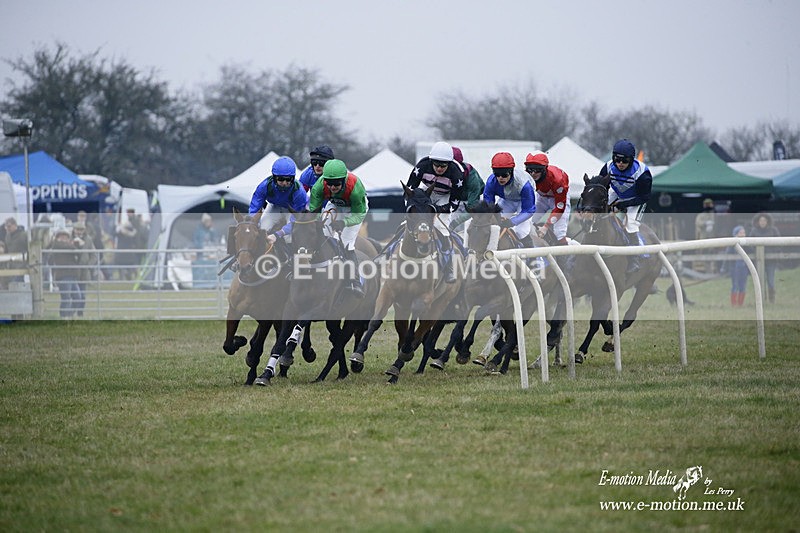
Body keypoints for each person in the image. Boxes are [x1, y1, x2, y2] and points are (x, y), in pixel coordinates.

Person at [406, 141, 472, 283]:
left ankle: (448, 268)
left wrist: (436, 210)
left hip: (445, 197)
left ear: (449, 164)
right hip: (425, 193)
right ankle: (387, 253)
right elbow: (409, 190)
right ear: (431, 162)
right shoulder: (422, 166)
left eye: (443, 165)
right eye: (436, 164)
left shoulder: (457, 173)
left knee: (442, 229)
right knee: (408, 223)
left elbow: (454, 203)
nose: (440, 168)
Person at [308, 159, 368, 296]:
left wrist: (344, 223)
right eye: (329, 183)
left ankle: (354, 281)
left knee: (346, 243)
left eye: (336, 183)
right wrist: (318, 223)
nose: (333, 187)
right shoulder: (319, 187)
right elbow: (314, 211)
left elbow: (359, 215)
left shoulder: (355, 188)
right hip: (334, 205)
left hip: (355, 209)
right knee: (323, 235)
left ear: (344, 179)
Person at [598, 139, 653, 273]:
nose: (620, 164)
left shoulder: (642, 173)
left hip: (636, 199)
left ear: (631, 160)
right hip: (617, 194)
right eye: (617, 160)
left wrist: (622, 205)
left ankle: (635, 258)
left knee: (630, 225)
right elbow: (601, 187)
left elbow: (644, 197)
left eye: (624, 161)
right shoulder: (608, 167)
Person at [249, 156, 309, 249]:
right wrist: (251, 224)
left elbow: (295, 221)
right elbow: (254, 209)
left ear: (293, 178)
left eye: (288, 179)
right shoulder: (264, 186)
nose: (284, 183)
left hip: (292, 210)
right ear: (274, 177)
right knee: (263, 229)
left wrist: (278, 234)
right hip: (274, 207)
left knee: (288, 236)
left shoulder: (299, 192)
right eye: (281, 179)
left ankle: (291, 259)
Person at [482, 152, 537, 247]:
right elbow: (488, 205)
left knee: (521, 231)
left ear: (511, 171)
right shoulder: (491, 181)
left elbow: (529, 210)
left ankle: (534, 259)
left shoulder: (524, 185)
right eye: (497, 174)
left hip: (523, 202)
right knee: (494, 225)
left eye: (504, 174)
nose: (500, 178)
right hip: (507, 201)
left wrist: (512, 221)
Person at [524, 152, 571, 245]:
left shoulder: (558, 180)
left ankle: (564, 257)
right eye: (530, 170)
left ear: (544, 169)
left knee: (559, 234)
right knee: (527, 223)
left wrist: (546, 226)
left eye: (537, 170)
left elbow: (559, 207)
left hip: (558, 200)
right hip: (542, 198)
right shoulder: (526, 177)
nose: (533, 174)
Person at [448, 146, 485, 237]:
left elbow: (472, 208)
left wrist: (456, 221)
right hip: (456, 200)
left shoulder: (472, 178)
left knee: (464, 229)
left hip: (471, 202)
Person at [47, 227, 82, 318]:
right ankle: (63, 316)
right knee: (66, 298)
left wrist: (76, 246)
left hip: (72, 275)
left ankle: (68, 315)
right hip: (63, 275)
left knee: (78, 298)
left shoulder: (68, 246)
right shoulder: (56, 245)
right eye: (61, 236)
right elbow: (71, 248)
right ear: (57, 238)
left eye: (65, 237)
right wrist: (75, 245)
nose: (63, 238)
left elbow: (78, 253)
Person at [749, 212, 781, 303]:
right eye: (761, 220)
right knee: (760, 281)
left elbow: (779, 243)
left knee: (770, 280)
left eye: (764, 220)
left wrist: (774, 252)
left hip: (771, 261)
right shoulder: (754, 231)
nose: (762, 222)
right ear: (758, 221)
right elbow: (750, 244)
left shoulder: (773, 230)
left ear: (767, 221)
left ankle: (771, 300)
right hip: (759, 260)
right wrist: (755, 252)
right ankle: (761, 300)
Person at [71, 221, 96, 316]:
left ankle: (80, 313)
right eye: (77, 229)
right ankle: (71, 312)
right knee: (73, 293)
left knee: (82, 294)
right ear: (74, 230)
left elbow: (94, 255)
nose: (79, 232)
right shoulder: (69, 238)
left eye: (81, 230)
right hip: (72, 271)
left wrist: (89, 265)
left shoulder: (88, 239)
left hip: (84, 272)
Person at [723, 225, 749, 307]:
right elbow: (727, 257)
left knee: (743, 285)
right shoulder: (731, 245)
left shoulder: (747, 245)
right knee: (735, 285)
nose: (742, 234)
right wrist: (724, 267)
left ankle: (740, 304)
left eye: (743, 232)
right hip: (734, 268)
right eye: (740, 233)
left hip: (744, 268)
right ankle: (734, 304)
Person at [694, 198, 717, 273]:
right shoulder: (701, 215)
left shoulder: (714, 215)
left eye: (709, 204)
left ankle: (713, 271)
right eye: (707, 204)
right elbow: (698, 223)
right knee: (704, 255)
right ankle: (705, 271)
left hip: (713, 239)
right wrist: (705, 224)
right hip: (703, 238)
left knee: (713, 255)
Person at [3, 217, 28, 283]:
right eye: (6, 227)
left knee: (17, 282)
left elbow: (28, 249)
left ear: (15, 225)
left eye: (9, 226)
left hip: (21, 264)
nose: (7, 228)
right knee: (13, 284)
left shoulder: (24, 235)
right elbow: (6, 250)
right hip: (11, 265)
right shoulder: (7, 236)